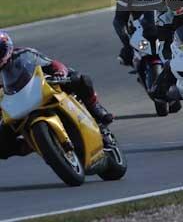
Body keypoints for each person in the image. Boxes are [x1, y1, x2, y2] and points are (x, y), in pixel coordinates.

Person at [0, 31, 113, 160]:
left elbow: (51, 64)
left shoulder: (24, 54)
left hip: (42, 87)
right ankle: (32, 145)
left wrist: (60, 72)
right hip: (16, 104)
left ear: (7, 46)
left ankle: (95, 109)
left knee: (79, 79)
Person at [113, 0, 166, 66]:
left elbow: (175, 9)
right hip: (140, 32)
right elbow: (119, 19)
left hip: (163, 29)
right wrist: (126, 40)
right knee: (126, 57)